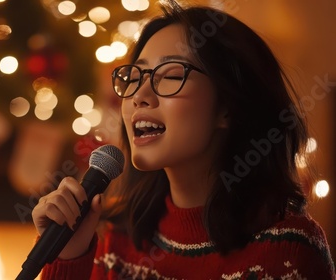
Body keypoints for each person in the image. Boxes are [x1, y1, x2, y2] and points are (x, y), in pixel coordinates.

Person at [31, 1, 336, 279]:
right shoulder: (114, 239)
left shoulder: (288, 251)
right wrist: (67, 257)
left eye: (172, 75)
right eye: (135, 77)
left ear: (228, 107)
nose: (139, 95)